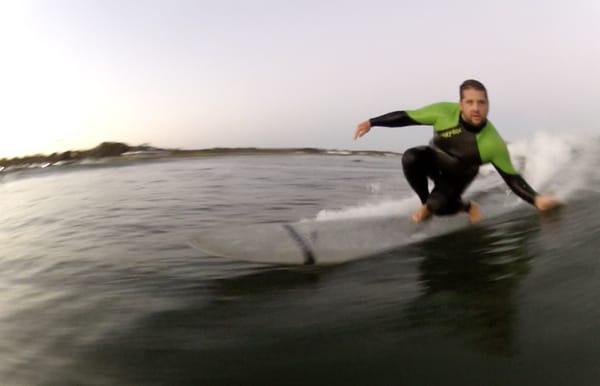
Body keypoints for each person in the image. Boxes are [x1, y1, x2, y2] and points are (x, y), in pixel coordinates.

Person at [353, 79, 561, 223]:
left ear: (488, 105)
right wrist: (372, 122)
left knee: (441, 207)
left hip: (460, 174)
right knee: (411, 157)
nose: (476, 108)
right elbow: (407, 116)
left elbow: (512, 178)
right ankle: (427, 204)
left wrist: (536, 199)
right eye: (470, 102)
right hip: (435, 159)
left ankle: (466, 207)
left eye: (481, 102)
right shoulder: (443, 112)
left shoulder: (492, 142)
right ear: (461, 104)